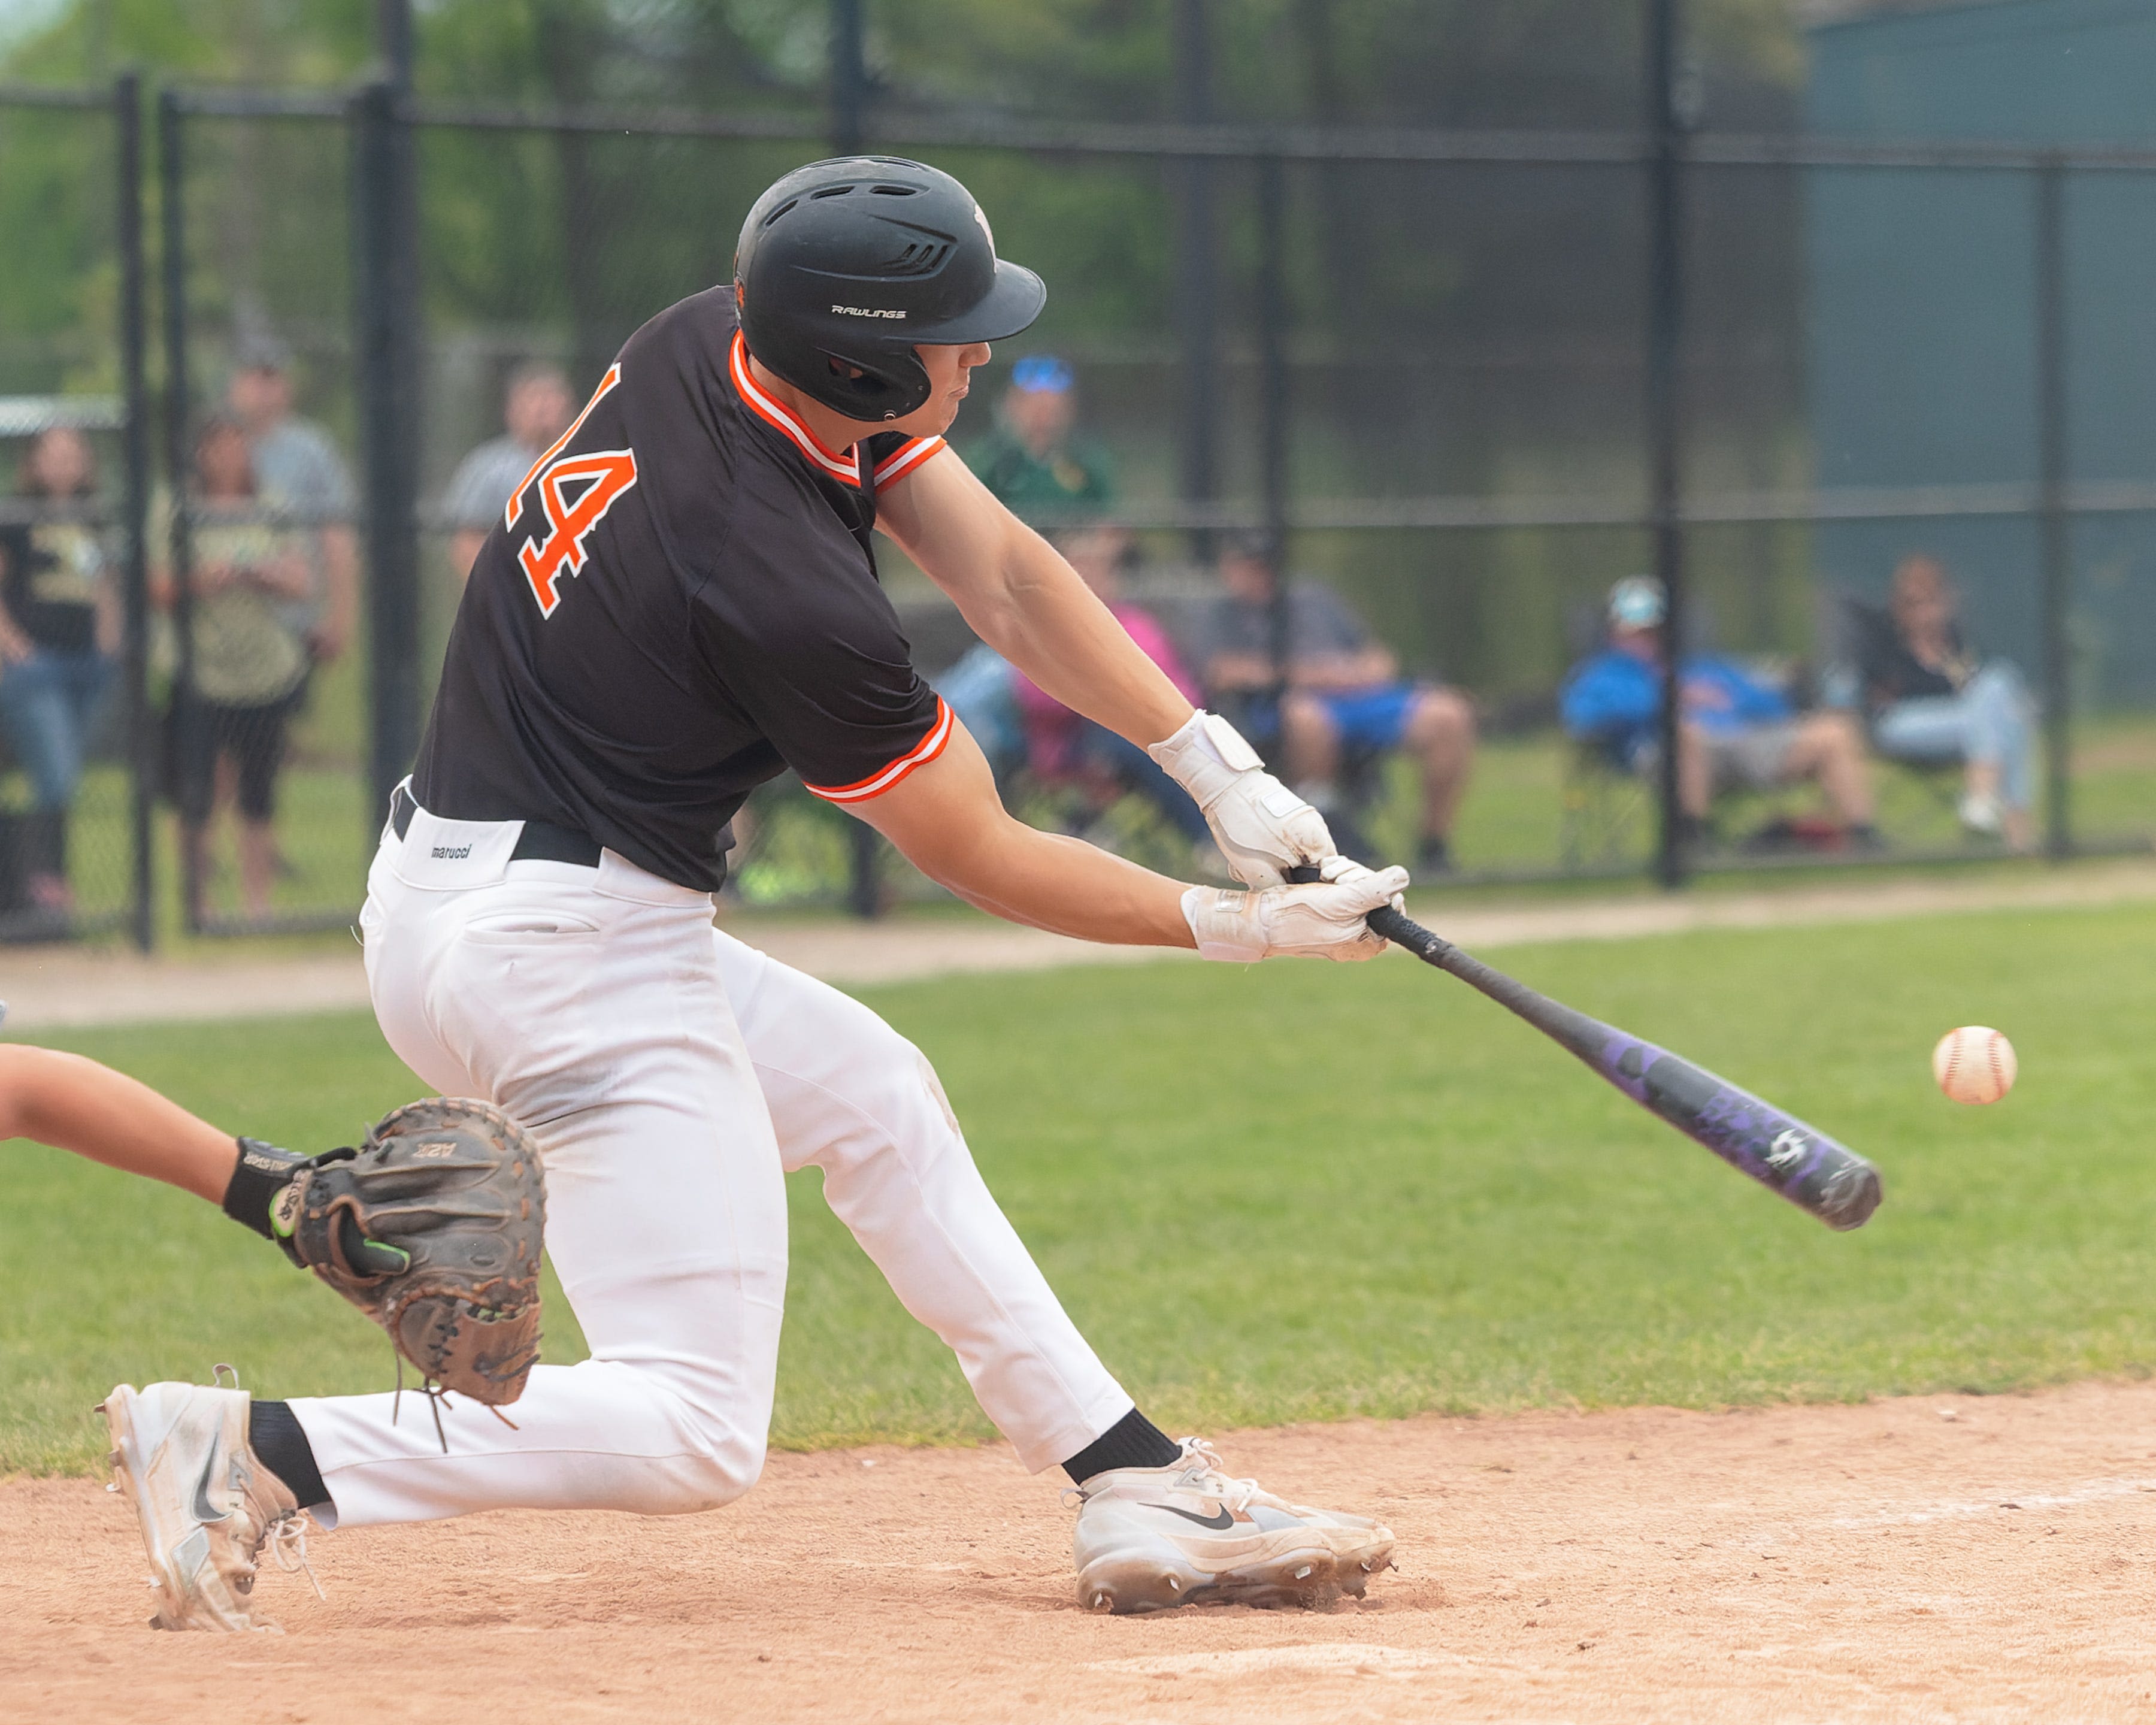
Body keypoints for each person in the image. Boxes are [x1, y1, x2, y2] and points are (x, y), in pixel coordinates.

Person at [103, 155, 1409, 1632]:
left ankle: (1128, 1472)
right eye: (949, 328)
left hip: (450, 903)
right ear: (858, 353)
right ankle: (257, 1449)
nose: (975, 350)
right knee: (695, 1427)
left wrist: (1212, 765)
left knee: (876, 1093)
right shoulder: (774, 580)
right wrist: (1231, 925)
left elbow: (1008, 578)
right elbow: (971, 848)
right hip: (574, 950)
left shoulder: (713, 340)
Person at [1198, 533, 1476, 873]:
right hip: (1286, 707)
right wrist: (1311, 675)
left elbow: (1380, 659)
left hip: (1360, 698)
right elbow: (1223, 672)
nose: (1261, 575)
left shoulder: (1314, 598)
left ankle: (1434, 846)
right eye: (1250, 567)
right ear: (1231, 568)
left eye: (1267, 566)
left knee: (1449, 714)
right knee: (1305, 718)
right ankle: (1328, 839)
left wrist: (1356, 674)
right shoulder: (1221, 613)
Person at [1561, 576, 1881, 851]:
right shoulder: (1602, 675)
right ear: (1614, 634)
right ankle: (1692, 841)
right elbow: (1583, 715)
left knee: (1835, 731)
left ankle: (1862, 836)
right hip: (1667, 752)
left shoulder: (1702, 667)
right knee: (1685, 733)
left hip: (1743, 744)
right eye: (1636, 632)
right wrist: (1667, 700)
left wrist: (1728, 699)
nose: (1647, 639)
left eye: (1654, 631)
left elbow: (1772, 706)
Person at [153, 416, 314, 919]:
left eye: (239, 446)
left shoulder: (272, 505)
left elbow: (302, 582)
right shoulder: (177, 506)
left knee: (258, 793)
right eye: (219, 446)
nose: (230, 456)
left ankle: (256, 906)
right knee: (199, 791)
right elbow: (158, 588)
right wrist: (207, 578)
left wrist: (262, 574)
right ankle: (198, 906)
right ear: (201, 453)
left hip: (264, 671)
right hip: (200, 670)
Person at [1010, 523, 1215, 860]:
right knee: (1125, 745)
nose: (1088, 577)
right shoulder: (1040, 628)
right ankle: (1205, 841)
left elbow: (1181, 693)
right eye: (1076, 568)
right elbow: (1038, 699)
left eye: (1098, 569)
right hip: (1070, 745)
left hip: (1149, 736)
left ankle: (1091, 829)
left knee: (1158, 746)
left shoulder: (1136, 625)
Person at [0, 426, 118, 916]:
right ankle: (43, 882)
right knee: (56, 773)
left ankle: (47, 883)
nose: (65, 464)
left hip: (87, 666)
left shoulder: (95, 519)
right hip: (37, 667)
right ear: (34, 462)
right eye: (54, 455)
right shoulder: (17, 517)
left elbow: (105, 585)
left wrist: (111, 644)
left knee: (63, 775)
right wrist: (13, 645)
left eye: (74, 454)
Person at [1858, 555, 2036, 851]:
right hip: (1900, 723)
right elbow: (1881, 695)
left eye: (1930, 603)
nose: (1923, 613)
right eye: (1912, 604)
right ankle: (2010, 824)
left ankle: (1987, 805)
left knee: (2001, 683)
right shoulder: (1885, 642)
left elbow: (1974, 692)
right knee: (2006, 722)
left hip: (1961, 725)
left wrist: (1944, 656)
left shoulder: (1956, 641)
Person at [226, 334, 359, 667]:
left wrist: (339, 619)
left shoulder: (311, 450)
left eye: (272, 379)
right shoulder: (215, 443)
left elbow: (337, 538)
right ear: (235, 383)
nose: (263, 391)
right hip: (224, 624)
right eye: (255, 378)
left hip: (293, 621)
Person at [440, 363, 578, 580]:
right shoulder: (489, 467)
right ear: (512, 411)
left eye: (550, 399)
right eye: (533, 399)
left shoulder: (586, 462)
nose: (542, 408)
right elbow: (467, 542)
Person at [962, 353, 1116, 518]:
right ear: (1011, 405)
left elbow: (1110, 522)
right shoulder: (990, 460)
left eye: (1054, 409)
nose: (1045, 419)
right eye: (1035, 408)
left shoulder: (1087, 460)